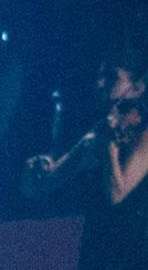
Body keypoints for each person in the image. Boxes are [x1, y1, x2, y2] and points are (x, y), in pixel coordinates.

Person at [21, 47, 148, 270]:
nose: (100, 83)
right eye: (101, 75)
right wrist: (36, 172)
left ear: (137, 88)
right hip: (92, 246)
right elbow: (51, 181)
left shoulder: (142, 133)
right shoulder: (100, 129)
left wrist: (109, 147)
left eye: (112, 77)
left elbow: (117, 194)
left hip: (128, 252)